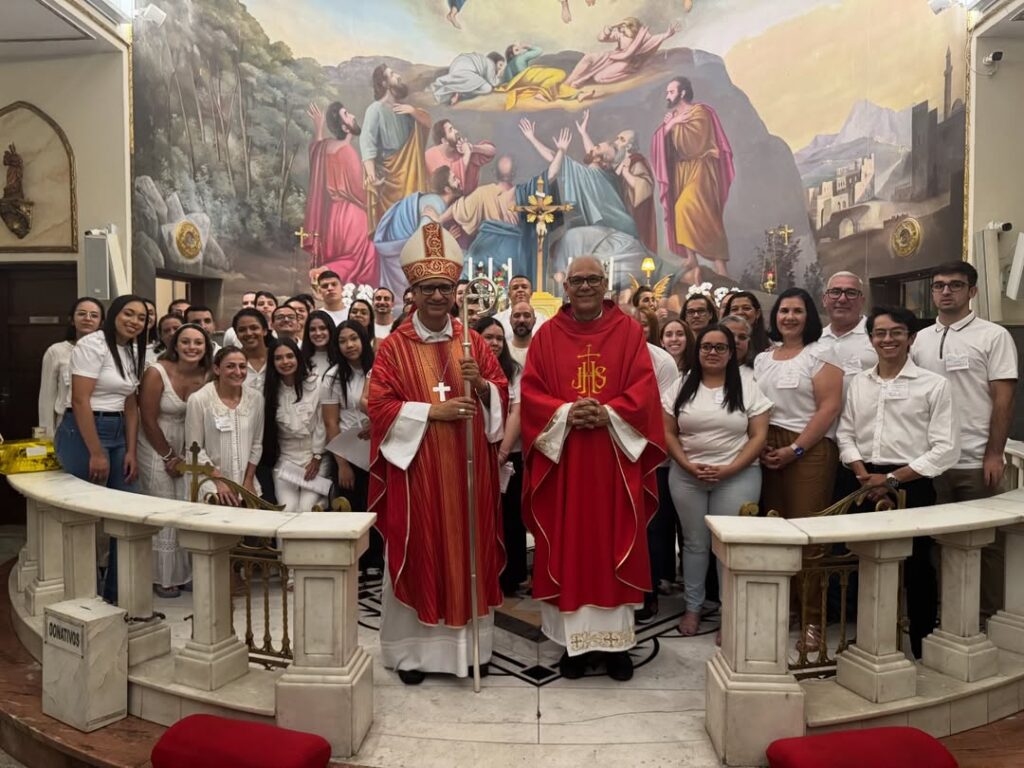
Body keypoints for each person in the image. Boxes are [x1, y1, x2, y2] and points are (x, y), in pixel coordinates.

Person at [368, 223, 508, 684]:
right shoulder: (393, 349)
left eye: (444, 288)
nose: (436, 296)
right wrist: (434, 412)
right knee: (421, 550)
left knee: (468, 551)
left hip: (470, 478)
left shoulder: (473, 342)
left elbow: (502, 398)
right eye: (427, 288)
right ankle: (412, 654)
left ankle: (471, 651)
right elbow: (379, 406)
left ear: (455, 292)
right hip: (420, 478)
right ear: (412, 292)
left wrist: (485, 384)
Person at [520, 256, 665, 682]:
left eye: (593, 280)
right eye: (578, 280)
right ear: (566, 286)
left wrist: (609, 414)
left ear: (605, 284)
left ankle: (617, 647)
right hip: (565, 464)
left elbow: (644, 390)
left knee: (614, 541)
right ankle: (575, 648)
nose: (585, 286)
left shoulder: (628, 331)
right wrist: (565, 413)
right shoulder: (547, 336)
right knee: (571, 544)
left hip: (613, 463)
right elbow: (531, 392)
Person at [837, 306, 959, 657]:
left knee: (918, 565)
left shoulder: (933, 385)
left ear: (911, 337)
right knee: (864, 560)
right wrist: (861, 471)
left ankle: (920, 644)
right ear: (871, 338)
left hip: (912, 482)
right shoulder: (860, 382)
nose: (887, 340)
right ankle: (870, 643)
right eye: (880, 333)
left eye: (896, 332)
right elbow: (846, 433)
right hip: (862, 480)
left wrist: (891, 479)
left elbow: (945, 449)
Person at [912, 260, 1018, 619]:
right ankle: (948, 613)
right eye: (939, 285)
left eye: (955, 285)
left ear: (972, 292)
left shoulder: (993, 336)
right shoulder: (921, 339)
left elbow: (1003, 399)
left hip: (975, 460)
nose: (945, 291)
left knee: (985, 543)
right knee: (936, 543)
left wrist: (994, 453)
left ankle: (986, 617)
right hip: (932, 461)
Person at [665, 325, 772, 637]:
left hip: (738, 475)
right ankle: (693, 608)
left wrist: (729, 469)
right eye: (706, 347)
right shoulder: (681, 385)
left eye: (720, 347)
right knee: (694, 544)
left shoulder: (748, 386)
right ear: (697, 351)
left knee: (730, 546)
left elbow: (759, 435)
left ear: (731, 351)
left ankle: (730, 613)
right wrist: (686, 464)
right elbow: (668, 431)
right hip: (687, 476)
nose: (712, 352)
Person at [754, 288, 843, 652]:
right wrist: (760, 445)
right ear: (775, 315)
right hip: (768, 447)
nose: (789, 317)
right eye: (784, 311)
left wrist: (796, 448)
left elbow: (828, 408)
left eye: (798, 311)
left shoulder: (821, 354)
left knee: (809, 538)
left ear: (809, 317)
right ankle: (786, 609)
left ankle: (813, 620)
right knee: (775, 532)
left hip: (809, 448)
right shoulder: (763, 358)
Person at [55, 294, 149, 603]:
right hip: (84, 430)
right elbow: (80, 400)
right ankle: (84, 595)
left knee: (129, 513)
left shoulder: (132, 351)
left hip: (119, 430)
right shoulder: (92, 344)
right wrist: (96, 451)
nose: (134, 321)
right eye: (128, 314)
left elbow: (131, 404)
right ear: (114, 314)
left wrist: (131, 450)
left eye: (141, 317)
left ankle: (117, 595)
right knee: (84, 517)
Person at [138, 323, 212, 597]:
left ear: (206, 347)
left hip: (189, 444)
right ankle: (162, 577)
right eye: (186, 342)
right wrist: (169, 456)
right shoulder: (157, 372)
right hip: (155, 442)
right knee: (163, 505)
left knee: (185, 502)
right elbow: (147, 418)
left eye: (198, 343)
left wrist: (186, 456)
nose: (192, 347)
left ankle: (183, 572)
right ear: (175, 345)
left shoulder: (207, 374)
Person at [651, 76, 735, 283]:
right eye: (667, 92)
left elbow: (696, 143)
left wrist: (675, 125)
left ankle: (720, 266)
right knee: (680, 211)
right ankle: (691, 258)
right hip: (682, 170)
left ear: (683, 93)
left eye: (671, 91)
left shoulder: (700, 112)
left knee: (703, 213)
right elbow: (659, 143)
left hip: (701, 167)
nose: (668, 95)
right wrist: (671, 126)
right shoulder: (672, 117)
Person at [321, 319, 379, 571]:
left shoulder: (379, 368)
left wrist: (377, 425)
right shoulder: (333, 377)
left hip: (379, 450)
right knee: (352, 509)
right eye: (342, 341)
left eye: (353, 338)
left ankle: (377, 561)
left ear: (363, 339)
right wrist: (342, 464)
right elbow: (331, 423)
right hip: (348, 453)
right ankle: (355, 564)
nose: (349, 345)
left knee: (376, 506)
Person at [475, 316, 525, 597]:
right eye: (488, 337)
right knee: (480, 517)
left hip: (508, 455)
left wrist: (503, 451)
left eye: (498, 338)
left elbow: (517, 411)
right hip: (475, 454)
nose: (494, 342)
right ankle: (482, 572)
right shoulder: (468, 366)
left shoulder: (512, 369)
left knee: (510, 519)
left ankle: (511, 577)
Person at [303, 101, 378, 287]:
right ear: (345, 127)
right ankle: (325, 272)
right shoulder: (347, 152)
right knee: (364, 255)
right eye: (347, 114)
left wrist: (319, 128)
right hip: (351, 216)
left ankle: (327, 274)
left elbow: (316, 150)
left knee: (346, 256)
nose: (353, 115)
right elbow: (358, 191)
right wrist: (373, 189)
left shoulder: (326, 146)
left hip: (331, 219)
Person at [637, 308, 681, 622]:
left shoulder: (661, 360)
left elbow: (665, 410)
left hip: (653, 457)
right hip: (615, 457)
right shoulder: (607, 355)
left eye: (643, 325)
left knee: (652, 528)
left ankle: (647, 593)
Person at [185, 346, 264, 505]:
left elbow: (256, 444)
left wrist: (247, 481)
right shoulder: (199, 400)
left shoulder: (256, 398)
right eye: (230, 366)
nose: (237, 371)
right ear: (217, 369)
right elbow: (194, 449)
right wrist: (219, 481)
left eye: (242, 366)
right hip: (209, 480)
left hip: (244, 480)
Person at [361, 64, 431, 232]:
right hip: (389, 181)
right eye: (393, 74)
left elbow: (427, 123)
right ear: (384, 84)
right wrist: (371, 175)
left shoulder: (406, 110)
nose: (399, 76)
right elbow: (367, 143)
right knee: (392, 228)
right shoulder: (375, 110)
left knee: (411, 224)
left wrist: (413, 111)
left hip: (410, 176)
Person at [263, 338, 327, 513]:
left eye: (290, 356)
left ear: (298, 358)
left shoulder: (316, 383)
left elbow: (322, 423)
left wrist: (317, 457)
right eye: (278, 358)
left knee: (306, 509)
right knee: (287, 510)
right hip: (285, 459)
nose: (285, 362)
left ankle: (326, 499)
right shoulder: (269, 390)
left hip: (314, 457)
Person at [38, 297, 105, 437]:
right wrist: (47, 437)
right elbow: (46, 398)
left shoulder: (109, 352)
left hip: (104, 424)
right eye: (81, 314)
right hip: (68, 426)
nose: (88, 318)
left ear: (101, 323)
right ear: (72, 320)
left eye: (94, 315)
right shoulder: (56, 351)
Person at [566, 17, 680, 88]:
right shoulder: (620, 34)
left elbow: (654, 41)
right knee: (589, 58)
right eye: (621, 26)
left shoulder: (642, 37)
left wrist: (667, 34)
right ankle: (569, 81)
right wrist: (609, 29)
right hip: (612, 57)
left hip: (626, 62)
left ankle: (583, 81)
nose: (621, 29)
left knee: (599, 77)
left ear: (632, 27)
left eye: (624, 26)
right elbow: (601, 38)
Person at [819, 272, 877, 388]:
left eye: (851, 293)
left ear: (862, 301)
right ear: (824, 300)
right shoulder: (813, 339)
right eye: (835, 292)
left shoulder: (879, 336)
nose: (842, 299)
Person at [424, 120, 496, 195]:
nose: (456, 131)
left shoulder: (461, 150)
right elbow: (455, 185)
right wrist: (467, 154)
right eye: (450, 130)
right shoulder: (429, 157)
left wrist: (472, 148)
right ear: (444, 140)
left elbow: (492, 151)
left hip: (469, 201)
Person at [430, 52, 506, 106]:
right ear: (494, 60)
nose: (500, 68)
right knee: (487, 88)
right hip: (467, 72)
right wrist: (500, 74)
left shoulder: (481, 60)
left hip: (455, 69)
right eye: (500, 65)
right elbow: (494, 83)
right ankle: (460, 95)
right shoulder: (490, 63)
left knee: (470, 84)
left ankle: (456, 92)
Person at [721, 291, 770, 359]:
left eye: (746, 308)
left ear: (757, 313)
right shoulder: (718, 340)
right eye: (734, 309)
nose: (740, 312)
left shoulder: (771, 344)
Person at [231, 308, 270, 392]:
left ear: (265, 331)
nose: (248, 333)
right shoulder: (230, 363)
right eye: (242, 330)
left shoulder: (278, 358)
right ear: (237, 335)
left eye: (254, 328)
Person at [301, 310, 336, 379]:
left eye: (322, 328)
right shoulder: (300, 359)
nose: (318, 333)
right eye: (312, 329)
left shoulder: (341, 357)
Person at [507, 301, 536, 368]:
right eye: (517, 316)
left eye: (527, 316)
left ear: (534, 320)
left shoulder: (542, 351)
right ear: (510, 320)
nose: (521, 320)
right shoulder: (503, 351)